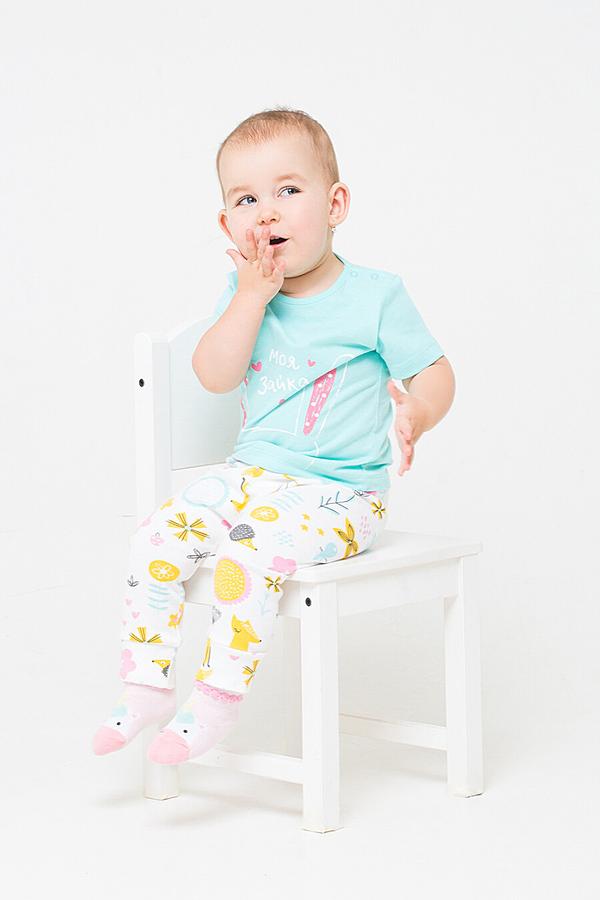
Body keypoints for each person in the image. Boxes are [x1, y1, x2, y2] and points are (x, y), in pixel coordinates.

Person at [92, 107, 455, 765]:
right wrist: (250, 299)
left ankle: (216, 701)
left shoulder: (374, 296)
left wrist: (419, 412)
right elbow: (213, 375)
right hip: (251, 480)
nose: (266, 213)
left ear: (335, 204)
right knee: (154, 537)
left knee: (247, 555)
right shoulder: (243, 295)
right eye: (246, 200)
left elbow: (433, 371)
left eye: (288, 190)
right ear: (226, 224)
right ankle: (146, 683)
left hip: (341, 495)